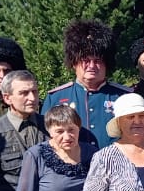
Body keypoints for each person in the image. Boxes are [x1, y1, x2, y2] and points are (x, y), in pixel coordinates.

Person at [42, 20, 129, 150]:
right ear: (73, 63)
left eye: (98, 61)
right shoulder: (55, 97)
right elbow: (46, 139)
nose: (92, 66)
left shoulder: (123, 96)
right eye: (85, 60)